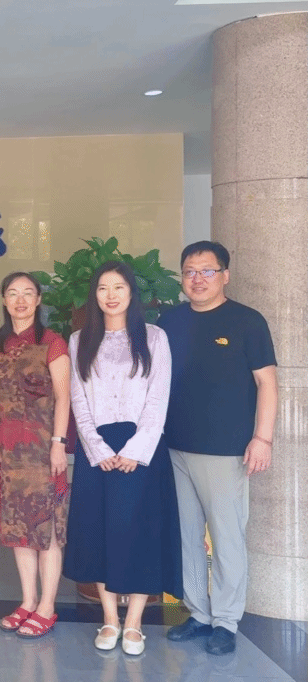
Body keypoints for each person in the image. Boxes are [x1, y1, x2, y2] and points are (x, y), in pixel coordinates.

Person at [160, 241, 277, 656]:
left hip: (226, 451)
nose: (198, 279)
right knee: (187, 536)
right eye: (190, 271)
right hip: (174, 448)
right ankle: (198, 613)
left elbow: (267, 383)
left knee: (227, 537)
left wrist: (262, 438)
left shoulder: (247, 321)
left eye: (207, 271)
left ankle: (226, 620)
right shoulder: (169, 321)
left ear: (225, 275)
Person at [63, 261, 182, 656]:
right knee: (98, 531)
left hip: (140, 450)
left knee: (138, 531)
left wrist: (136, 450)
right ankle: (110, 619)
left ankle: (134, 624)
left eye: (118, 287)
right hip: (96, 448)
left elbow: (158, 397)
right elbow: (78, 399)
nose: (110, 295)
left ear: (132, 292)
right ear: (94, 295)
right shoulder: (80, 340)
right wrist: (97, 448)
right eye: (103, 288)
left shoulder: (154, 337)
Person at [0, 272, 71, 638]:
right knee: (19, 528)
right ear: (4, 300)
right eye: (13, 293)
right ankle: (28, 600)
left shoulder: (52, 343)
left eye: (27, 293)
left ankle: (47, 606)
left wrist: (58, 443)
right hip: (9, 450)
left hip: (43, 449)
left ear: (38, 300)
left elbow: (64, 397)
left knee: (46, 527)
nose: (20, 300)